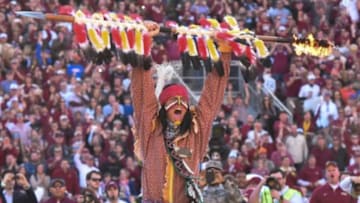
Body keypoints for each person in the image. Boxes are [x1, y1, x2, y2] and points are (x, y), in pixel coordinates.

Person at [131, 22, 231, 202]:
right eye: (171, 101)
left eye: (183, 102)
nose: (179, 105)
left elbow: (212, 96)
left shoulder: (196, 130)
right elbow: (142, 93)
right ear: (163, 108)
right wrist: (144, 42)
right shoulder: (151, 129)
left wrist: (223, 51)